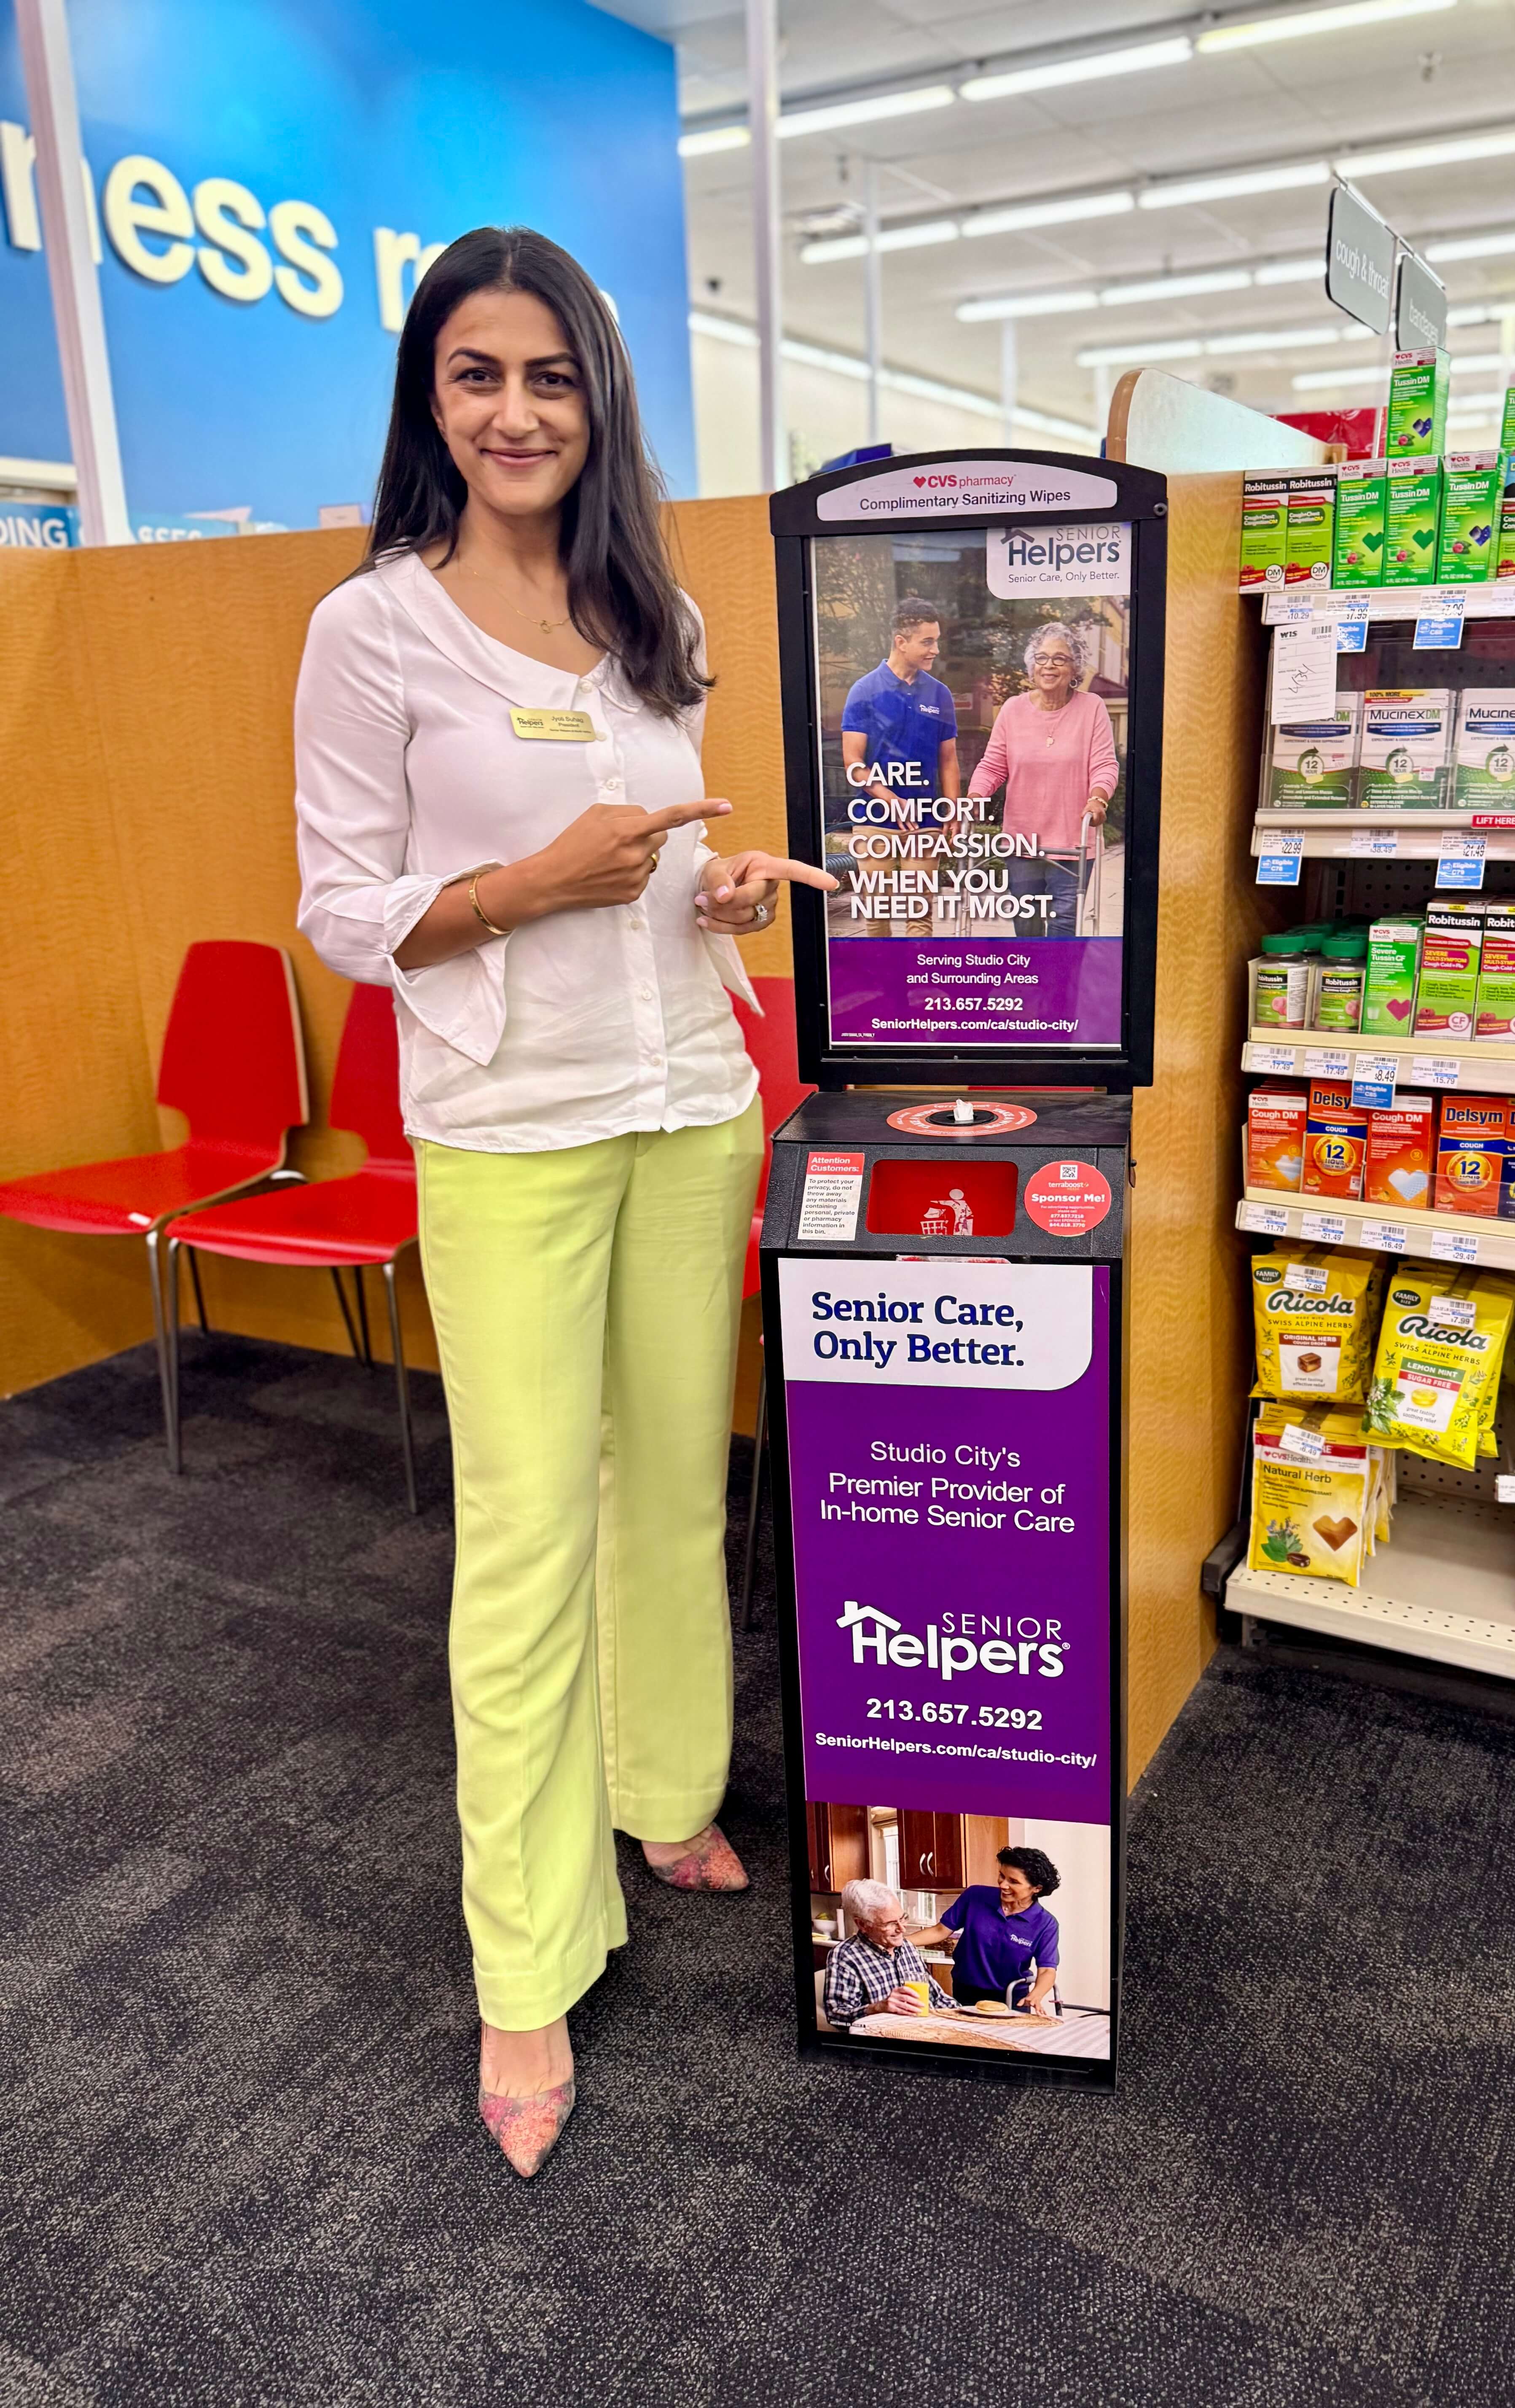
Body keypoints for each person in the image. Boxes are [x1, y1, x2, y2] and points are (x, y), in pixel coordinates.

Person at [293, 225, 834, 2180]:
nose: (514, 410)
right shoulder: (376, 630)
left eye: (547, 374)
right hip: (508, 1130)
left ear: (596, 394)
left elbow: (648, 860)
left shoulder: (648, 614)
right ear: (431, 402)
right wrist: (535, 885)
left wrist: (711, 891)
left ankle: (665, 1781)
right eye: (474, 375)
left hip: (693, 1096)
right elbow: (347, 911)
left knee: (675, 1478)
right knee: (524, 1534)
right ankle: (526, 1966)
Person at [967, 624, 1117, 938]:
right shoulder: (1012, 709)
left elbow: (1104, 764)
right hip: (1023, 842)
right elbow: (993, 765)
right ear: (1031, 665)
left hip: (1073, 840)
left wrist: (1098, 799)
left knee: (1064, 923)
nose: (1049, 665)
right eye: (1042, 658)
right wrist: (976, 796)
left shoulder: (1092, 708)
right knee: (1027, 925)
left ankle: (1058, 987)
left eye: (1060, 659)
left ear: (1075, 666)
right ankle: (1034, 985)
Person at [909, 1848, 1061, 2015]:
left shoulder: (1046, 1924)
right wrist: (901, 1942)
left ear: (1037, 1888)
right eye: (1002, 1876)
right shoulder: (976, 1896)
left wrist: (1036, 1995)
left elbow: (1047, 1969)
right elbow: (940, 1931)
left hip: (1012, 1999)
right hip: (965, 1992)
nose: (1003, 1885)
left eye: (1014, 1882)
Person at [840, 598, 961, 806]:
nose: (936, 650)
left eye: (937, 641)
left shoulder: (940, 694)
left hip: (927, 824)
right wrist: (891, 800)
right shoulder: (864, 691)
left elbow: (949, 760)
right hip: (876, 822)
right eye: (927, 642)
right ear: (901, 643)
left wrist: (954, 809)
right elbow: (853, 762)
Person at [823, 1881, 954, 2027]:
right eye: (890, 1924)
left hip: (926, 2030)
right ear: (863, 1925)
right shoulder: (845, 1956)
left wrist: (968, 2015)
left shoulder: (907, 1947)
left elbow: (938, 1998)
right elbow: (836, 2017)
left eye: (903, 1918)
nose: (902, 1929)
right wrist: (877, 2008)